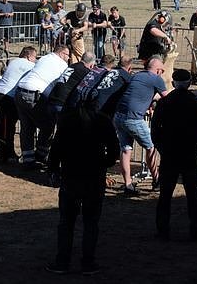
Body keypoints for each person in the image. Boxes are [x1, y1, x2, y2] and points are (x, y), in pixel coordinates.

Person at [45, 92, 120, 276]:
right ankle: (88, 261)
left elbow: (56, 147)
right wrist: (104, 164)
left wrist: (53, 169)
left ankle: (63, 260)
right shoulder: (102, 121)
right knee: (91, 222)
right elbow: (113, 149)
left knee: (66, 222)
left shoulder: (68, 120)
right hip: (94, 175)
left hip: (71, 174)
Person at [151, 69, 197, 241]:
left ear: (173, 83)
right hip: (189, 155)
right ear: (190, 83)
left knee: (165, 195)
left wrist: (162, 148)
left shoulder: (165, 103)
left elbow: (155, 130)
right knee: (193, 195)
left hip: (169, 154)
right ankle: (195, 229)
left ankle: (163, 230)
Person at [113, 55, 168, 195]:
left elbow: (139, 93)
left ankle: (128, 184)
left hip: (119, 116)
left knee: (125, 149)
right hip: (134, 118)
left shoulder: (137, 75)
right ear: (158, 70)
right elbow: (168, 98)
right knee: (151, 147)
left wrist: (150, 101)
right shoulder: (156, 79)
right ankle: (156, 180)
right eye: (162, 71)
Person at [15, 44, 70, 168]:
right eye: (67, 55)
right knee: (48, 125)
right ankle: (41, 152)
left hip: (20, 91)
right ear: (61, 54)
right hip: (35, 93)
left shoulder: (44, 58)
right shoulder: (62, 65)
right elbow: (62, 85)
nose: (68, 58)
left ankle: (28, 159)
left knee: (26, 127)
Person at [0, 46, 37, 163]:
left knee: (2, 124)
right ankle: (6, 154)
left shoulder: (13, 62)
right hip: (7, 97)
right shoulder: (30, 65)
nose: (35, 60)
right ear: (28, 56)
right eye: (34, 57)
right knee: (8, 128)